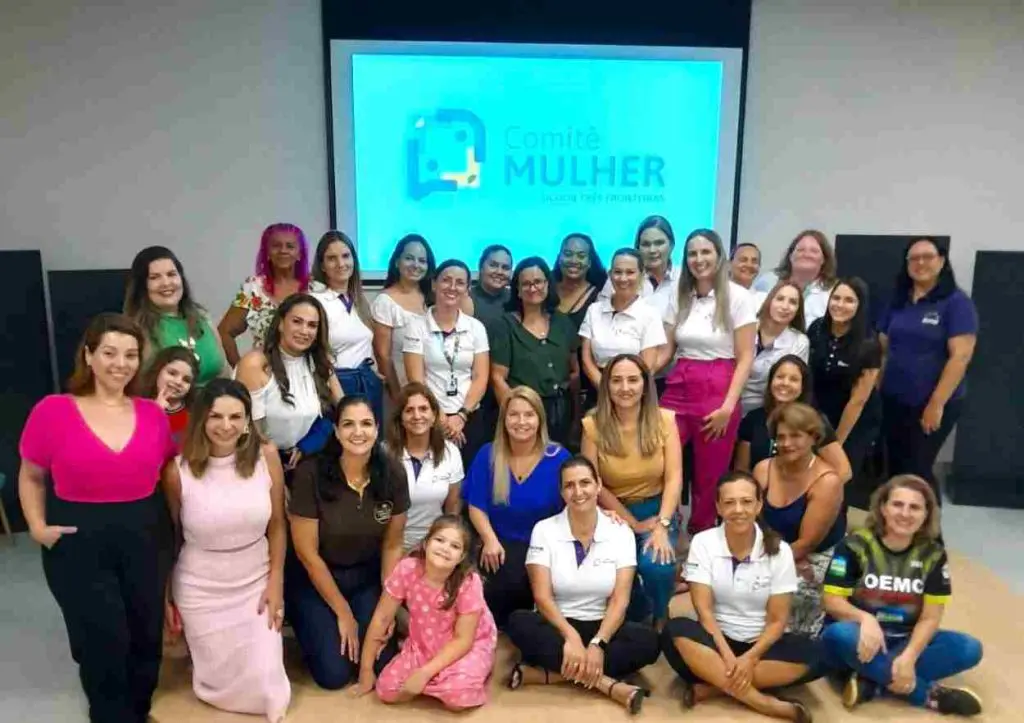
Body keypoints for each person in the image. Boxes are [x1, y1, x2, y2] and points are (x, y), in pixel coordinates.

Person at [18, 313, 177, 723]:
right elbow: (31, 476)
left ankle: (138, 711)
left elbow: (168, 474)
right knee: (103, 640)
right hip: (78, 540)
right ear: (88, 355)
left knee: (145, 636)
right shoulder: (53, 411)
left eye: (130, 355)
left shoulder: (152, 414)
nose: (120, 363)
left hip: (144, 535)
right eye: (109, 353)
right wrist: (36, 527)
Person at [163, 379, 291, 722]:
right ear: (201, 419)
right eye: (216, 416)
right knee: (215, 683)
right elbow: (171, 539)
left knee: (268, 686)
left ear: (248, 420)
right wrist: (167, 597)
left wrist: (276, 580)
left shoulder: (266, 457)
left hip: (256, 580)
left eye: (235, 417)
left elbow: (278, 525)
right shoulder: (177, 471)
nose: (226, 426)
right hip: (201, 587)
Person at [660, 472, 821, 722]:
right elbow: (704, 612)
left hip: (760, 647)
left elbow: (777, 621)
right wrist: (728, 657)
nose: (738, 510)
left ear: (758, 505)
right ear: (718, 507)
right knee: (674, 630)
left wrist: (750, 658)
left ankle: (713, 686)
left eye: (746, 502)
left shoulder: (780, 551)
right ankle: (763, 703)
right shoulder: (703, 543)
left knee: (818, 655)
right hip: (715, 643)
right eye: (729, 502)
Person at [506, 456, 658, 714]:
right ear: (561, 492)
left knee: (650, 642)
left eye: (585, 483)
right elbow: (542, 597)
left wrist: (598, 643)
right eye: (570, 485)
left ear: (599, 485)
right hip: (558, 626)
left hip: (603, 625)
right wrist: (571, 637)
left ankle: (547, 675)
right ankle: (608, 684)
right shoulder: (544, 530)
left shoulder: (620, 531)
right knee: (519, 623)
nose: (578, 492)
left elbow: (620, 600)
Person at [821, 475, 983, 716]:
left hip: (904, 638)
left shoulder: (933, 555)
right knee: (837, 635)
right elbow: (831, 601)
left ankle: (872, 682)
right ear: (883, 508)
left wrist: (909, 656)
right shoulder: (855, 545)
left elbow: (930, 617)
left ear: (926, 514)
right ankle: (927, 694)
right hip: (859, 636)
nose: (905, 514)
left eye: (915, 507)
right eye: (897, 504)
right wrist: (865, 618)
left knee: (969, 648)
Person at [285, 396, 408, 689]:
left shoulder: (392, 472)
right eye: (348, 424)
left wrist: (387, 607)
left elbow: (392, 545)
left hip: (365, 577)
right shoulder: (310, 474)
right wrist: (343, 613)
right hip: (315, 579)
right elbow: (306, 553)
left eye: (366, 424)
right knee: (334, 675)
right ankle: (311, 626)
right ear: (337, 432)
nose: (358, 432)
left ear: (376, 429)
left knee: (382, 662)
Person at [658, 228, 757, 535]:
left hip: (719, 386)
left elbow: (746, 356)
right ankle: (667, 524)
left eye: (705, 252)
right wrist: (633, 371)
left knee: (709, 473)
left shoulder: (738, 297)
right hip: (679, 384)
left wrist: (728, 406)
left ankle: (701, 534)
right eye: (692, 253)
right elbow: (666, 351)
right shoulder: (679, 295)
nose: (698, 259)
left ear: (719, 255)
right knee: (660, 457)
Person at [352, 515, 498, 710]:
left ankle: (474, 668)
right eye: (440, 540)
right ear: (426, 543)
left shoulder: (469, 582)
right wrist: (366, 669)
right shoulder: (407, 568)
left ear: (462, 557)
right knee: (387, 690)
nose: (445, 548)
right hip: (423, 643)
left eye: (455, 546)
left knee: (457, 698)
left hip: (465, 645)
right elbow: (382, 618)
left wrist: (424, 673)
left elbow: (464, 640)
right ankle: (437, 682)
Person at [581, 354, 682, 624]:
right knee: (612, 569)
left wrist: (662, 525)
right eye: (616, 381)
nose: (625, 388)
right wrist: (633, 524)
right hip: (611, 511)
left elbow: (674, 477)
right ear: (607, 386)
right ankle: (633, 612)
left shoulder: (665, 420)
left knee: (657, 565)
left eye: (633, 380)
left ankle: (660, 617)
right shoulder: (592, 426)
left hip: (657, 508)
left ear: (645, 384)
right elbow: (594, 483)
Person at [879, 238, 978, 503]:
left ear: (941, 261)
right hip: (893, 399)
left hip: (931, 404)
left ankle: (930, 527)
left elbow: (960, 356)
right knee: (895, 467)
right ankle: (895, 523)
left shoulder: (956, 303)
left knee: (918, 471)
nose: (920, 263)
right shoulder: (899, 300)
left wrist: (936, 404)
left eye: (927, 256)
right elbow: (883, 347)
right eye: (914, 258)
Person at [463, 386, 570, 628]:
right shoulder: (488, 454)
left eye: (529, 415)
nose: (521, 422)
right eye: (514, 414)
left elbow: (575, 503)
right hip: (499, 546)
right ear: (504, 419)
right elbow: (476, 505)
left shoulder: (559, 457)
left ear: (540, 419)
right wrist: (489, 540)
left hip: (546, 547)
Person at [752, 403, 845, 636]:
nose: (786, 443)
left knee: (787, 596)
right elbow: (750, 522)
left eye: (795, 436)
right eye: (781, 437)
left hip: (813, 556)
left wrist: (760, 566)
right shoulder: (763, 469)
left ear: (813, 437)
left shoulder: (827, 481)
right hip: (767, 548)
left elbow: (807, 544)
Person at [235, 294, 343, 469]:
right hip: (259, 460)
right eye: (297, 322)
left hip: (305, 458)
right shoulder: (255, 364)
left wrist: (309, 444)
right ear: (280, 323)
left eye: (312, 325)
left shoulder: (319, 361)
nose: (304, 331)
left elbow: (344, 410)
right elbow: (253, 433)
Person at [404, 259, 490, 467]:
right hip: (428, 416)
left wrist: (461, 416)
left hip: (469, 416)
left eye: (460, 283)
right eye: (446, 280)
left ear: (467, 289)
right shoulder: (416, 326)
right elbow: (416, 380)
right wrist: (441, 418)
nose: (452, 287)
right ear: (434, 284)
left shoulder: (476, 328)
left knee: (469, 474)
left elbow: (481, 377)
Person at [808, 277, 883, 506]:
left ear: (860, 306)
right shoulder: (816, 329)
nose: (840, 305)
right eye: (836, 298)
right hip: (820, 413)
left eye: (849, 300)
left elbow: (858, 401)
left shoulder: (869, 344)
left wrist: (836, 442)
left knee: (838, 477)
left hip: (853, 420)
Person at [489, 257, 579, 447]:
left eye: (538, 282)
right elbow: (498, 378)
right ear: (517, 290)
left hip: (562, 413)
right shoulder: (504, 326)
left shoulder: (562, 322)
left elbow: (574, 371)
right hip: (524, 417)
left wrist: (576, 416)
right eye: (526, 284)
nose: (532, 288)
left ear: (547, 284)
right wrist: (516, 416)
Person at [735, 355, 853, 484]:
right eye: (780, 377)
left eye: (794, 379)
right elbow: (741, 471)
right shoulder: (753, 418)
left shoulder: (814, 420)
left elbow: (844, 471)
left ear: (803, 387)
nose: (785, 383)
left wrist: (813, 492)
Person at [124, 245, 227, 385]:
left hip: (215, 397)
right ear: (142, 286)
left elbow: (224, 371)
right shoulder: (135, 330)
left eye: (171, 274)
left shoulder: (203, 317)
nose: (166, 283)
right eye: (154, 277)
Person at [309, 231, 383, 422]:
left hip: (367, 383)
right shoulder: (316, 301)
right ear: (322, 265)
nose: (341, 264)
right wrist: (340, 398)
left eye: (345, 256)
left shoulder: (359, 301)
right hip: (337, 385)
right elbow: (320, 355)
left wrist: (375, 376)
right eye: (331, 258)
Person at [219, 223, 310, 367]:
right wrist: (242, 370)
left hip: (309, 372)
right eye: (276, 245)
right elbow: (224, 332)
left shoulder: (315, 289)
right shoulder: (253, 288)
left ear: (300, 253)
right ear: (266, 252)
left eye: (290, 246)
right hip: (264, 374)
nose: (283, 251)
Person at [386, 382, 464, 551]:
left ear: (434, 415)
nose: (417, 416)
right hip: (390, 543)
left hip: (433, 545)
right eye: (409, 410)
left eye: (423, 409)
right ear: (400, 418)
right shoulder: (384, 453)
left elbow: (452, 509)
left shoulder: (451, 452)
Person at [579, 248, 666, 397]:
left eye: (630, 272)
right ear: (610, 274)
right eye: (618, 272)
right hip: (599, 390)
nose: (623, 278)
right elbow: (587, 360)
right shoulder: (594, 310)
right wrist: (606, 390)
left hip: (634, 392)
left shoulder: (650, 314)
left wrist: (623, 390)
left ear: (642, 275)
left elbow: (647, 366)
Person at [371, 234, 435, 401]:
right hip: (404, 393)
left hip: (438, 392)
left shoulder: (434, 298)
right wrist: (397, 396)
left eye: (422, 260)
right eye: (409, 258)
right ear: (397, 262)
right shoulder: (385, 302)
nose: (416, 265)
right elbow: (383, 356)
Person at [741, 281, 809, 416]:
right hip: (725, 403)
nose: (785, 306)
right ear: (769, 301)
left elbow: (791, 389)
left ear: (798, 310)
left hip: (764, 412)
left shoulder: (799, 342)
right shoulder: (745, 327)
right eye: (780, 299)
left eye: (792, 302)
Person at [754, 230, 838, 326]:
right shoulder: (768, 281)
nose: (806, 254)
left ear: (824, 259)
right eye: (800, 250)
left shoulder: (833, 292)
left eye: (814, 251)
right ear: (790, 256)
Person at [139, 345, 199, 449]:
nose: (178, 382)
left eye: (186, 380)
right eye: (172, 373)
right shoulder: (136, 405)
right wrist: (155, 412)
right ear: (158, 370)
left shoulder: (192, 417)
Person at [552, 232, 606, 331]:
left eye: (581, 256)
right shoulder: (546, 288)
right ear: (559, 258)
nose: (573, 261)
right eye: (568, 254)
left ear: (589, 262)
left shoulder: (599, 296)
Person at [462, 243, 513, 329]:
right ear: (481, 267)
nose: (499, 272)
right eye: (493, 265)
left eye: (505, 268)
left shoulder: (516, 298)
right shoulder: (466, 300)